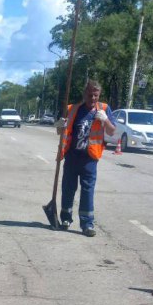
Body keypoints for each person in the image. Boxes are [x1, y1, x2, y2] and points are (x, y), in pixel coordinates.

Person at [55, 79, 116, 237]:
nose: (93, 98)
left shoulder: (104, 109)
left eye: (96, 95)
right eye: (90, 95)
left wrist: (106, 120)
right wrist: (59, 125)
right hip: (72, 157)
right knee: (68, 189)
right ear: (84, 94)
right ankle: (66, 219)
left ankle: (87, 224)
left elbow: (111, 131)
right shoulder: (73, 109)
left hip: (90, 159)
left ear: (99, 95)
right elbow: (60, 132)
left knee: (87, 191)